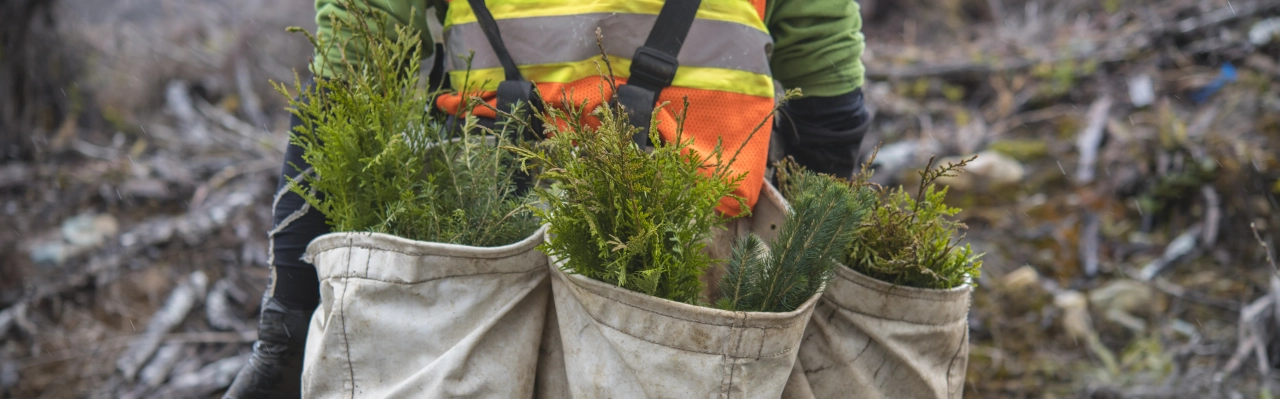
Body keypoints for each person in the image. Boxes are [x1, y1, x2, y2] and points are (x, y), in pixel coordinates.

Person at [224, 0, 870, 397]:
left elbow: (347, 97)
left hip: (475, 254)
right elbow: (829, 100)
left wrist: (288, 320)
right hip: (692, 266)